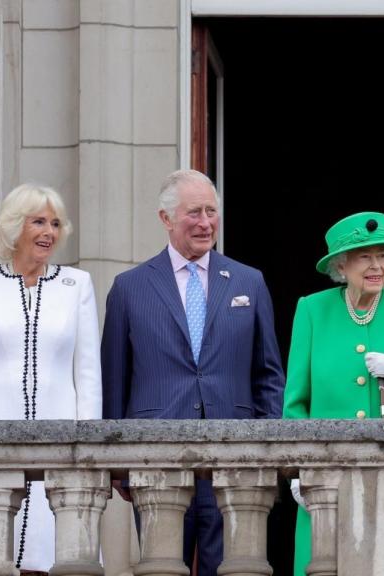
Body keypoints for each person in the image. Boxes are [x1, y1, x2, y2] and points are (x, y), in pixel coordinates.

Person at [101, 169, 285, 576]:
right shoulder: (129, 287)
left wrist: (268, 445)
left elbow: (268, 373)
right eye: (193, 213)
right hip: (156, 455)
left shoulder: (248, 282)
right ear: (166, 219)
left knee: (235, 568)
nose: (205, 223)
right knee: (161, 568)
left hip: (235, 456)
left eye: (211, 212)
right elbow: (115, 379)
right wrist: (116, 460)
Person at [0, 184, 101, 575]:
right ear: (15, 228)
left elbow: (88, 374)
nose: (49, 232)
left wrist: (92, 451)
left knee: (48, 555)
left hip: (58, 436)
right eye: (38, 222)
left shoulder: (77, 286)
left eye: (56, 223)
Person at [283, 211, 384, 576]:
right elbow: (296, 402)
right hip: (327, 476)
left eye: (383, 256)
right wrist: (298, 468)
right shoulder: (312, 310)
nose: (377, 266)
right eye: (365, 257)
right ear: (341, 265)